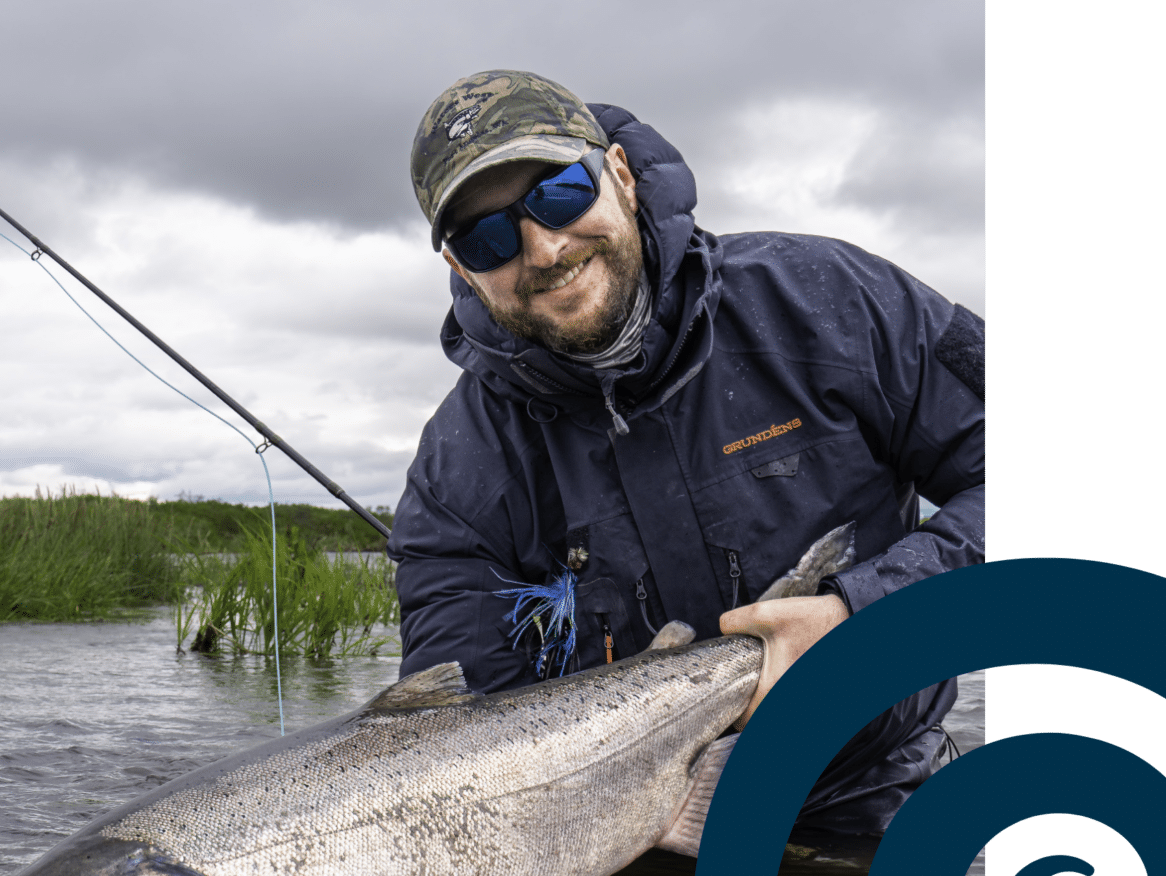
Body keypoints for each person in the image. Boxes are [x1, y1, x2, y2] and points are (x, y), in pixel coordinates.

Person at [388, 70, 985, 834]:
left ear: (621, 176)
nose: (541, 247)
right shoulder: (456, 468)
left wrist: (866, 617)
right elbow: (462, 721)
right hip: (616, 843)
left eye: (559, 192)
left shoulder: (831, 303)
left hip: (875, 803)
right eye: (486, 236)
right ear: (458, 268)